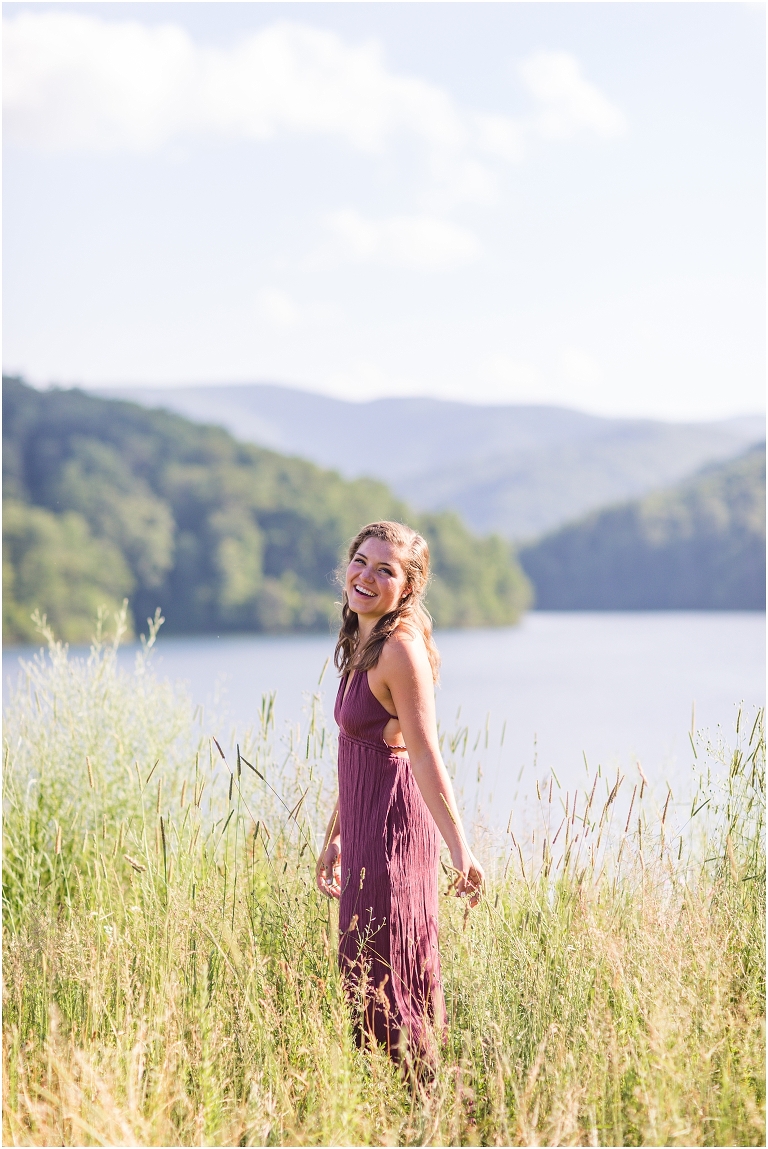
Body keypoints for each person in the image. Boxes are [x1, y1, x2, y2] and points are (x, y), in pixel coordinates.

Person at [315, 520, 484, 1066]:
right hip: (363, 833)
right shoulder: (360, 638)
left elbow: (425, 756)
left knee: (391, 983)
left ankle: (427, 1110)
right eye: (361, 560)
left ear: (407, 587)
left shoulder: (400, 651)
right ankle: (384, 1108)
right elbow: (360, 750)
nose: (366, 575)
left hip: (394, 837)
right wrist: (336, 836)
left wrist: (461, 850)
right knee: (360, 977)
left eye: (385, 569)